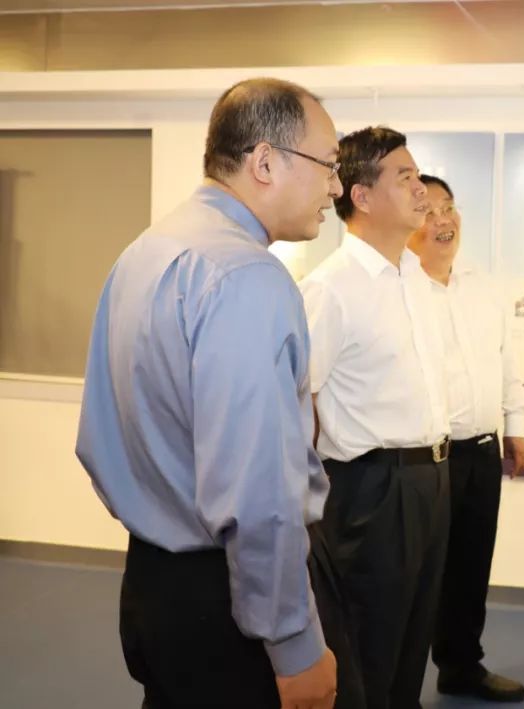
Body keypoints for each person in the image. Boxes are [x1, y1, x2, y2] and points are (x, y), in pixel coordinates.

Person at [75, 77, 363, 709]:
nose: (336, 188)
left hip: (155, 580)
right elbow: (259, 493)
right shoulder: (246, 278)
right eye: (328, 164)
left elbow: (98, 437)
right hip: (234, 601)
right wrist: (294, 645)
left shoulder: (146, 251)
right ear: (265, 162)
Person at [300, 127, 450, 709]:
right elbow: (296, 397)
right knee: (368, 643)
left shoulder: (415, 276)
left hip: (430, 479)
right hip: (371, 490)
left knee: (414, 636)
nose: (421, 190)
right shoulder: (330, 288)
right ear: (361, 196)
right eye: (405, 177)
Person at [407, 174, 524, 702]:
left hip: (481, 452)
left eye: (450, 208)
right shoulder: (401, 289)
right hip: (426, 458)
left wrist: (515, 428)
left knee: (471, 565)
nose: (443, 220)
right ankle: (397, 683)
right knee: (418, 576)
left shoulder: (483, 285)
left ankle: (461, 666)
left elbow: (506, 362)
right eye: (429, 211)